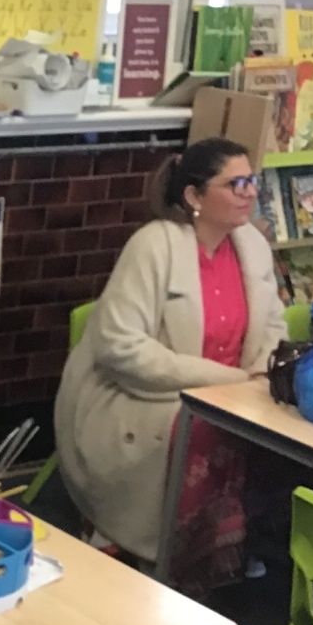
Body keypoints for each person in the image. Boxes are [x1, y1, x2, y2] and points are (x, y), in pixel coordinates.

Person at [55, 138, 287, 589]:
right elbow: (120, 348)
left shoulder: (252, 247)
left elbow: (273, 325)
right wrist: (228, 381)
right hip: (148, 395)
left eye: (252, 181)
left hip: (237, 392)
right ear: (194, 196)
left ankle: (231, 553)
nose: (249, 193)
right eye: (235, 184)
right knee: (205, 429)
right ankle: (171, 559)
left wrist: (260, 372)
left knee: (278, 437)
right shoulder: (153, 245)